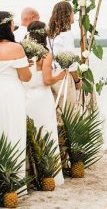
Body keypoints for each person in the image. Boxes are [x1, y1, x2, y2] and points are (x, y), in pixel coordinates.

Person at [24, 21, 65, 186]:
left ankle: (29, 175)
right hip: (42, 97)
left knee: (29, 134)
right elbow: (47, 80)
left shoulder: (23, 51)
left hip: (26, 97)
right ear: (44, 34)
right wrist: (59, 77)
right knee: (46, 133)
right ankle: (48, 174)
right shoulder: (45, 54)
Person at [0, 11, 32, 184]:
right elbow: (26, 77)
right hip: (11, 94)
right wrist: (25, 65)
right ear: (8, 27)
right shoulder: (16, 48)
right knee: (13, 131)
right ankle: (13, 183)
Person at [48, 1, 81, 123]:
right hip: (65, 78)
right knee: (69, 115)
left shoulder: (51, 35)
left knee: (58, 114)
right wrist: (77, 80)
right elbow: (70, 62)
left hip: (53, 77)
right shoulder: (66, 35)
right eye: (72, 12)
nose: (74, 15)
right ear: (68, 15)